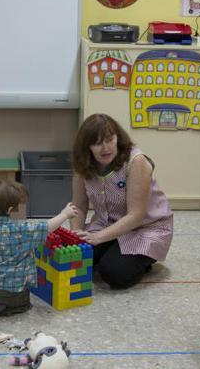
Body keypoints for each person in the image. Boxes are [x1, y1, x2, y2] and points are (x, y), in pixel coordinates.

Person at [70, 113, 173, 289]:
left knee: (113, 273)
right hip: (107, 225)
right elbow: (78, 206)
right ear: (87, 147)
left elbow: (136, 216)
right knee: (76, 257)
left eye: (110, 140)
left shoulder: (135, 161)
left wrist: (97, 237)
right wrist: (75, 238)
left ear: (118, 138)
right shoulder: (83, 164)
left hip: (145, 229)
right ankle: (111, 250)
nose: (105, 148)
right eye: (97, 143)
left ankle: (145, 260)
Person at [0, 181, 79, 323]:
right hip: (12, 292)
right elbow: (48, 227)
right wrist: (64, 214)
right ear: (10, 211)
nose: (25, 212)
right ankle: (4, 307)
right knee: (24, 302)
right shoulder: (22, 230)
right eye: (22, 208)